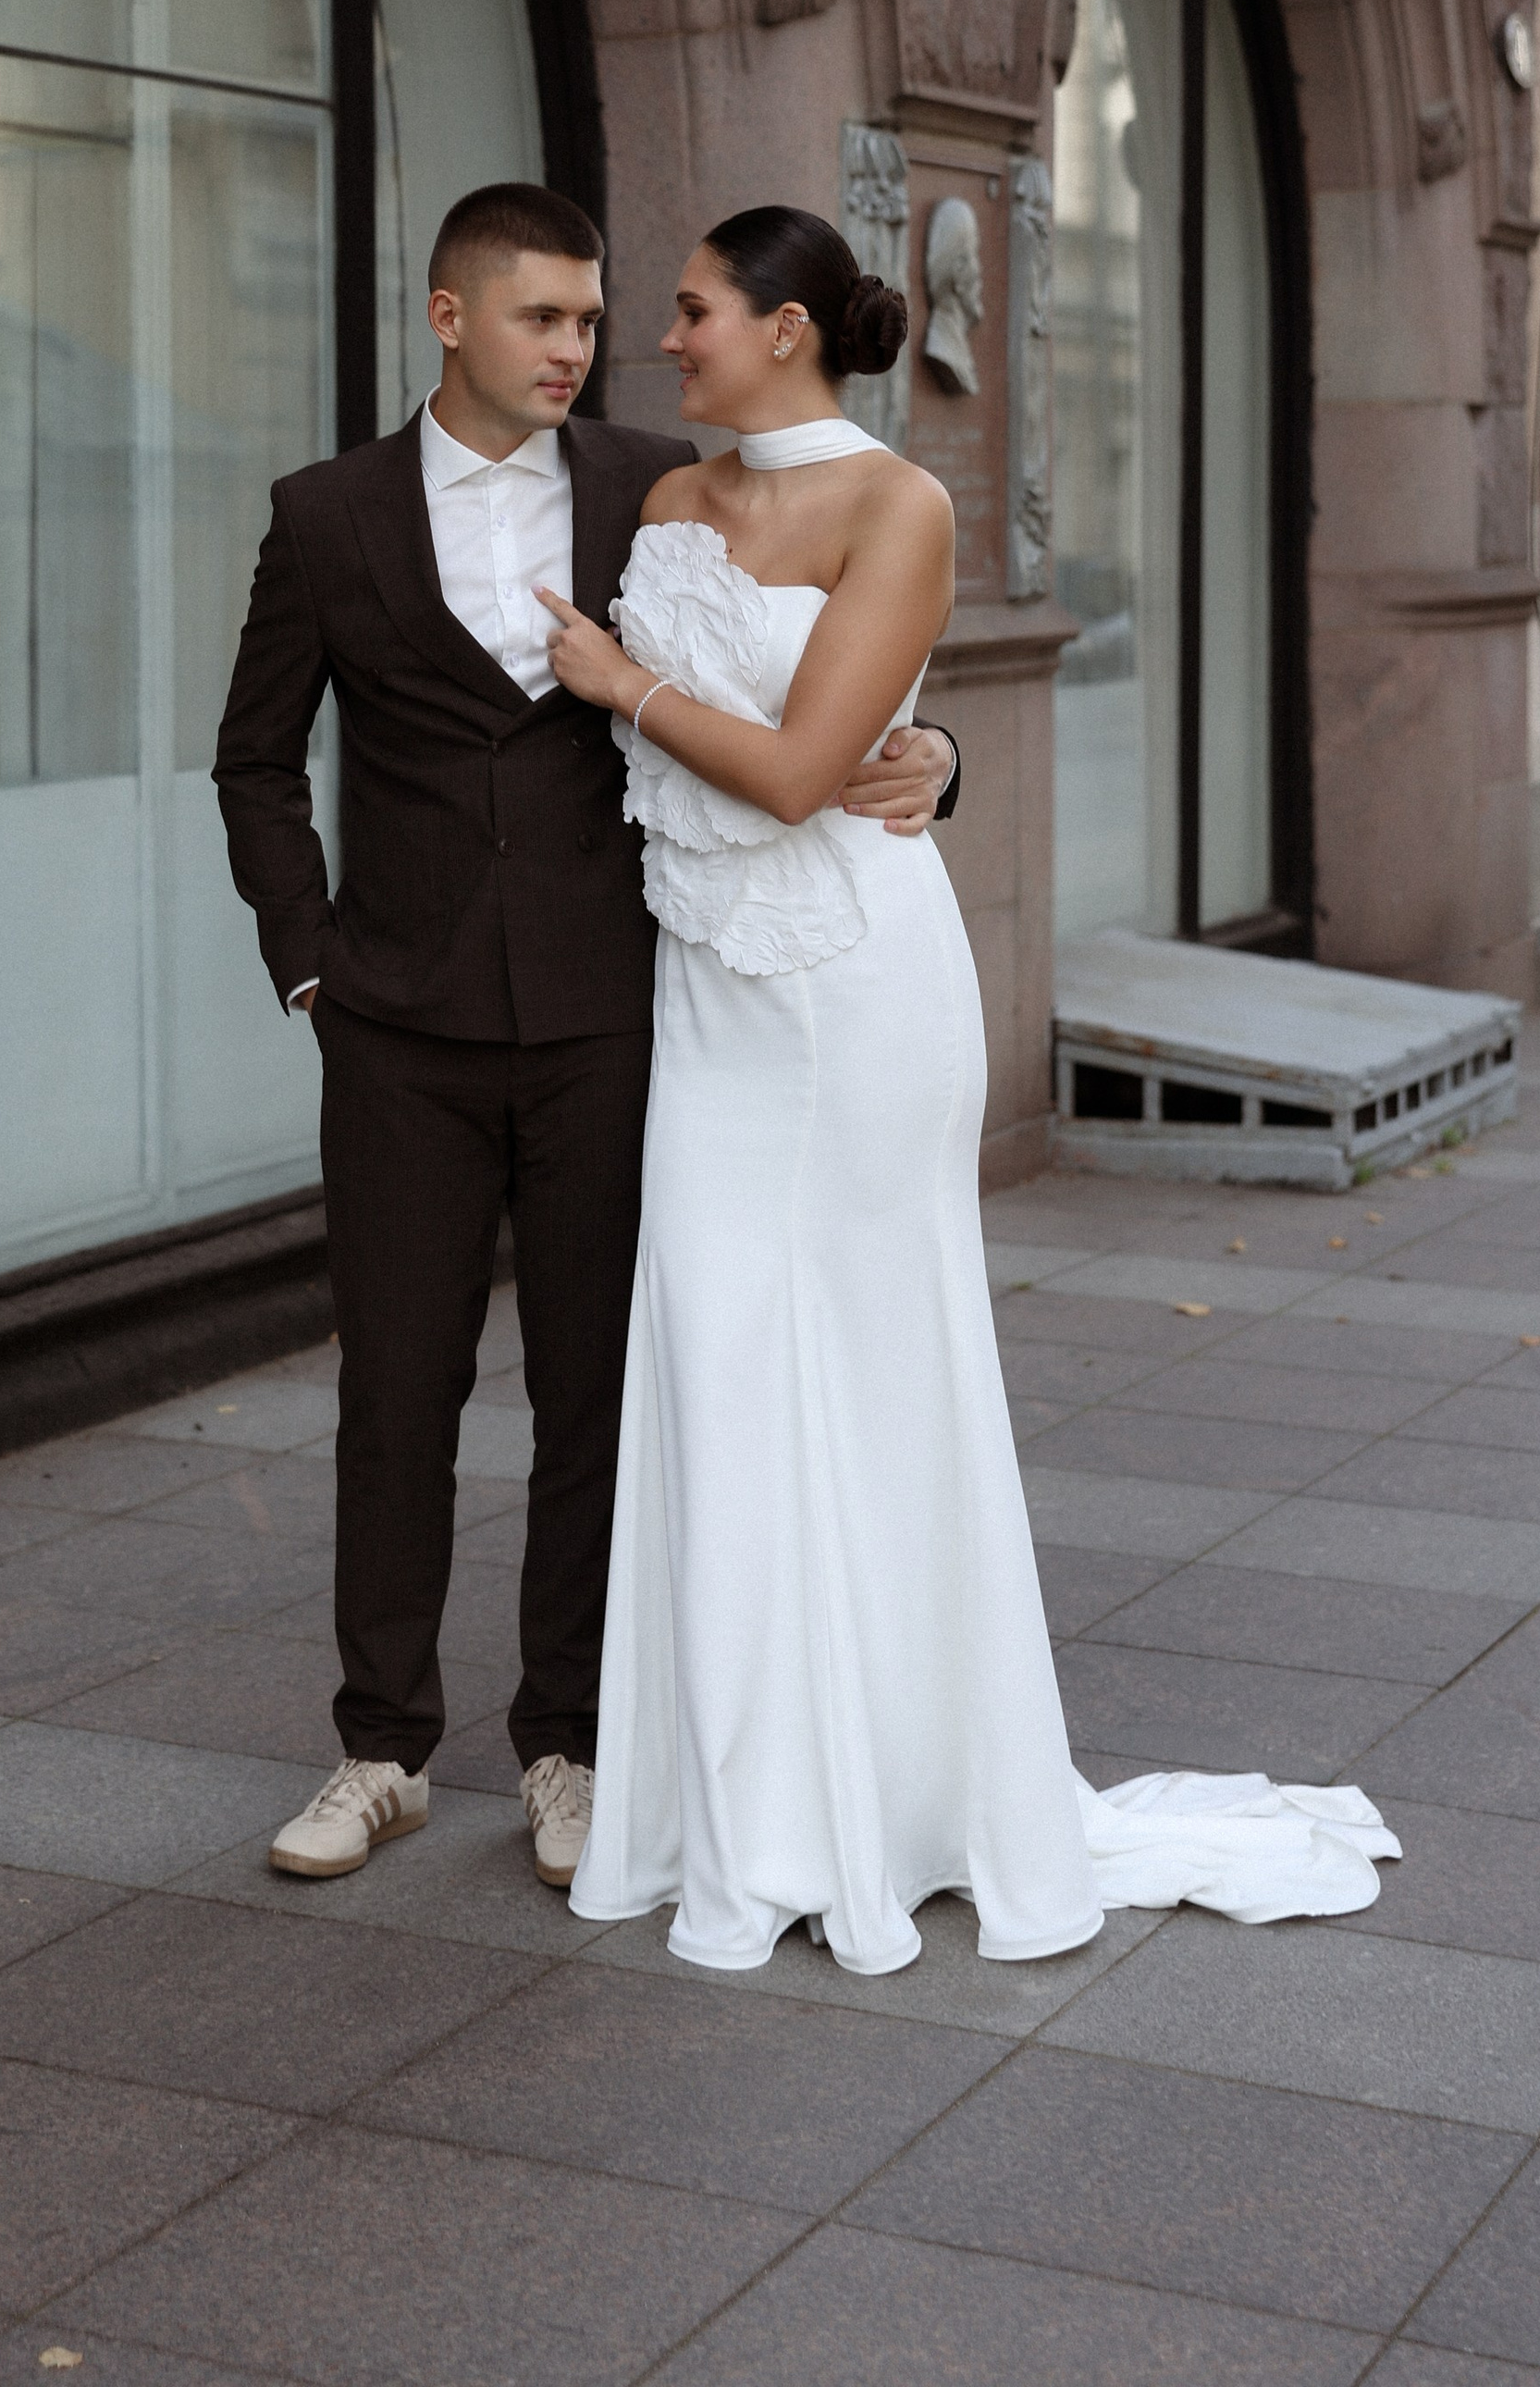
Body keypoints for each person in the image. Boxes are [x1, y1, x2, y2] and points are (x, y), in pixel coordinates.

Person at [539, 204, 1399, 1974]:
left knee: (871, 1371)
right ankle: (739, 1804)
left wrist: (622, 682)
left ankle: (909, 1793)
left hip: (857, 994)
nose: (663, 341)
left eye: (692, 312)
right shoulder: (663, 500)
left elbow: (798, 772)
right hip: (707, 1002)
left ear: (785, 328)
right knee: (711, 1365)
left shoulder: (902, 506)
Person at [213, 184, 962, 1891]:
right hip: (394, 1023)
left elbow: (821, 674)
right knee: (396, 1394)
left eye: (594, 318)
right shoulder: (325, 518)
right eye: (544, 318)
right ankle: (378, 1749)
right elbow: (255, 759)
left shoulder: (662, 486)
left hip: (622, 1017)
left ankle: (568, 1746)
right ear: (450, 317)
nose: (581, 349)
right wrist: (308, 961)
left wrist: (940, 759)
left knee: (592, 1396)